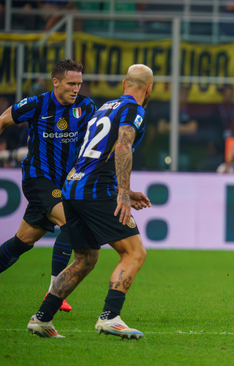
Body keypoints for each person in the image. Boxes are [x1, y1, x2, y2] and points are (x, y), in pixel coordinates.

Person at [27, 64, 153, 339]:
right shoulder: (133, 110)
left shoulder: (106, 107)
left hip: (73, 186)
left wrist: (126, 190)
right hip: (96, 190)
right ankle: (110, 317)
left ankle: (42, 318)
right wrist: (122, 192)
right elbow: (122, 145)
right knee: (134, 253)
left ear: (123, 84)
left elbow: (91, 152)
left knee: (86, 257)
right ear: (149, 88)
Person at [0, 59, 97, 314]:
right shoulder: (36, 104)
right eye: (71, 83)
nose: (76, 88)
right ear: (56, 82)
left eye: (79, 83)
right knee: (71, 223)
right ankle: (56, 290)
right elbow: (2, 121)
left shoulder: (86, 107)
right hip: (38, 179)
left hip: (65, 184)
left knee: (22, 241)